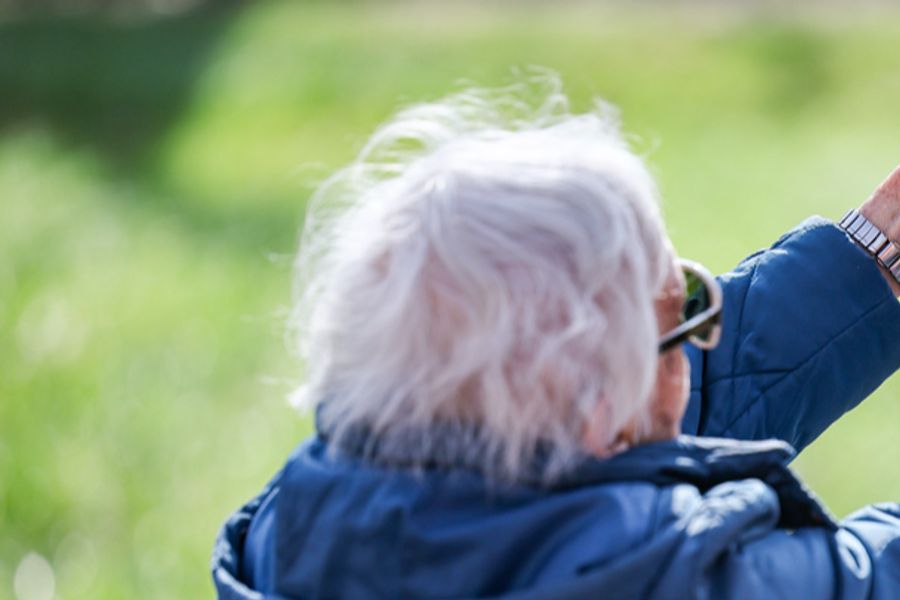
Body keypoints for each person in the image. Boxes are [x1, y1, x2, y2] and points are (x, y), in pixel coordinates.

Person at [212, 76, 900, 599]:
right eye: (679, 311)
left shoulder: (297, 529)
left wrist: (873, 259)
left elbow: (619, 436)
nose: (701, 337)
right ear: (600, 413)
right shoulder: (681, 578)